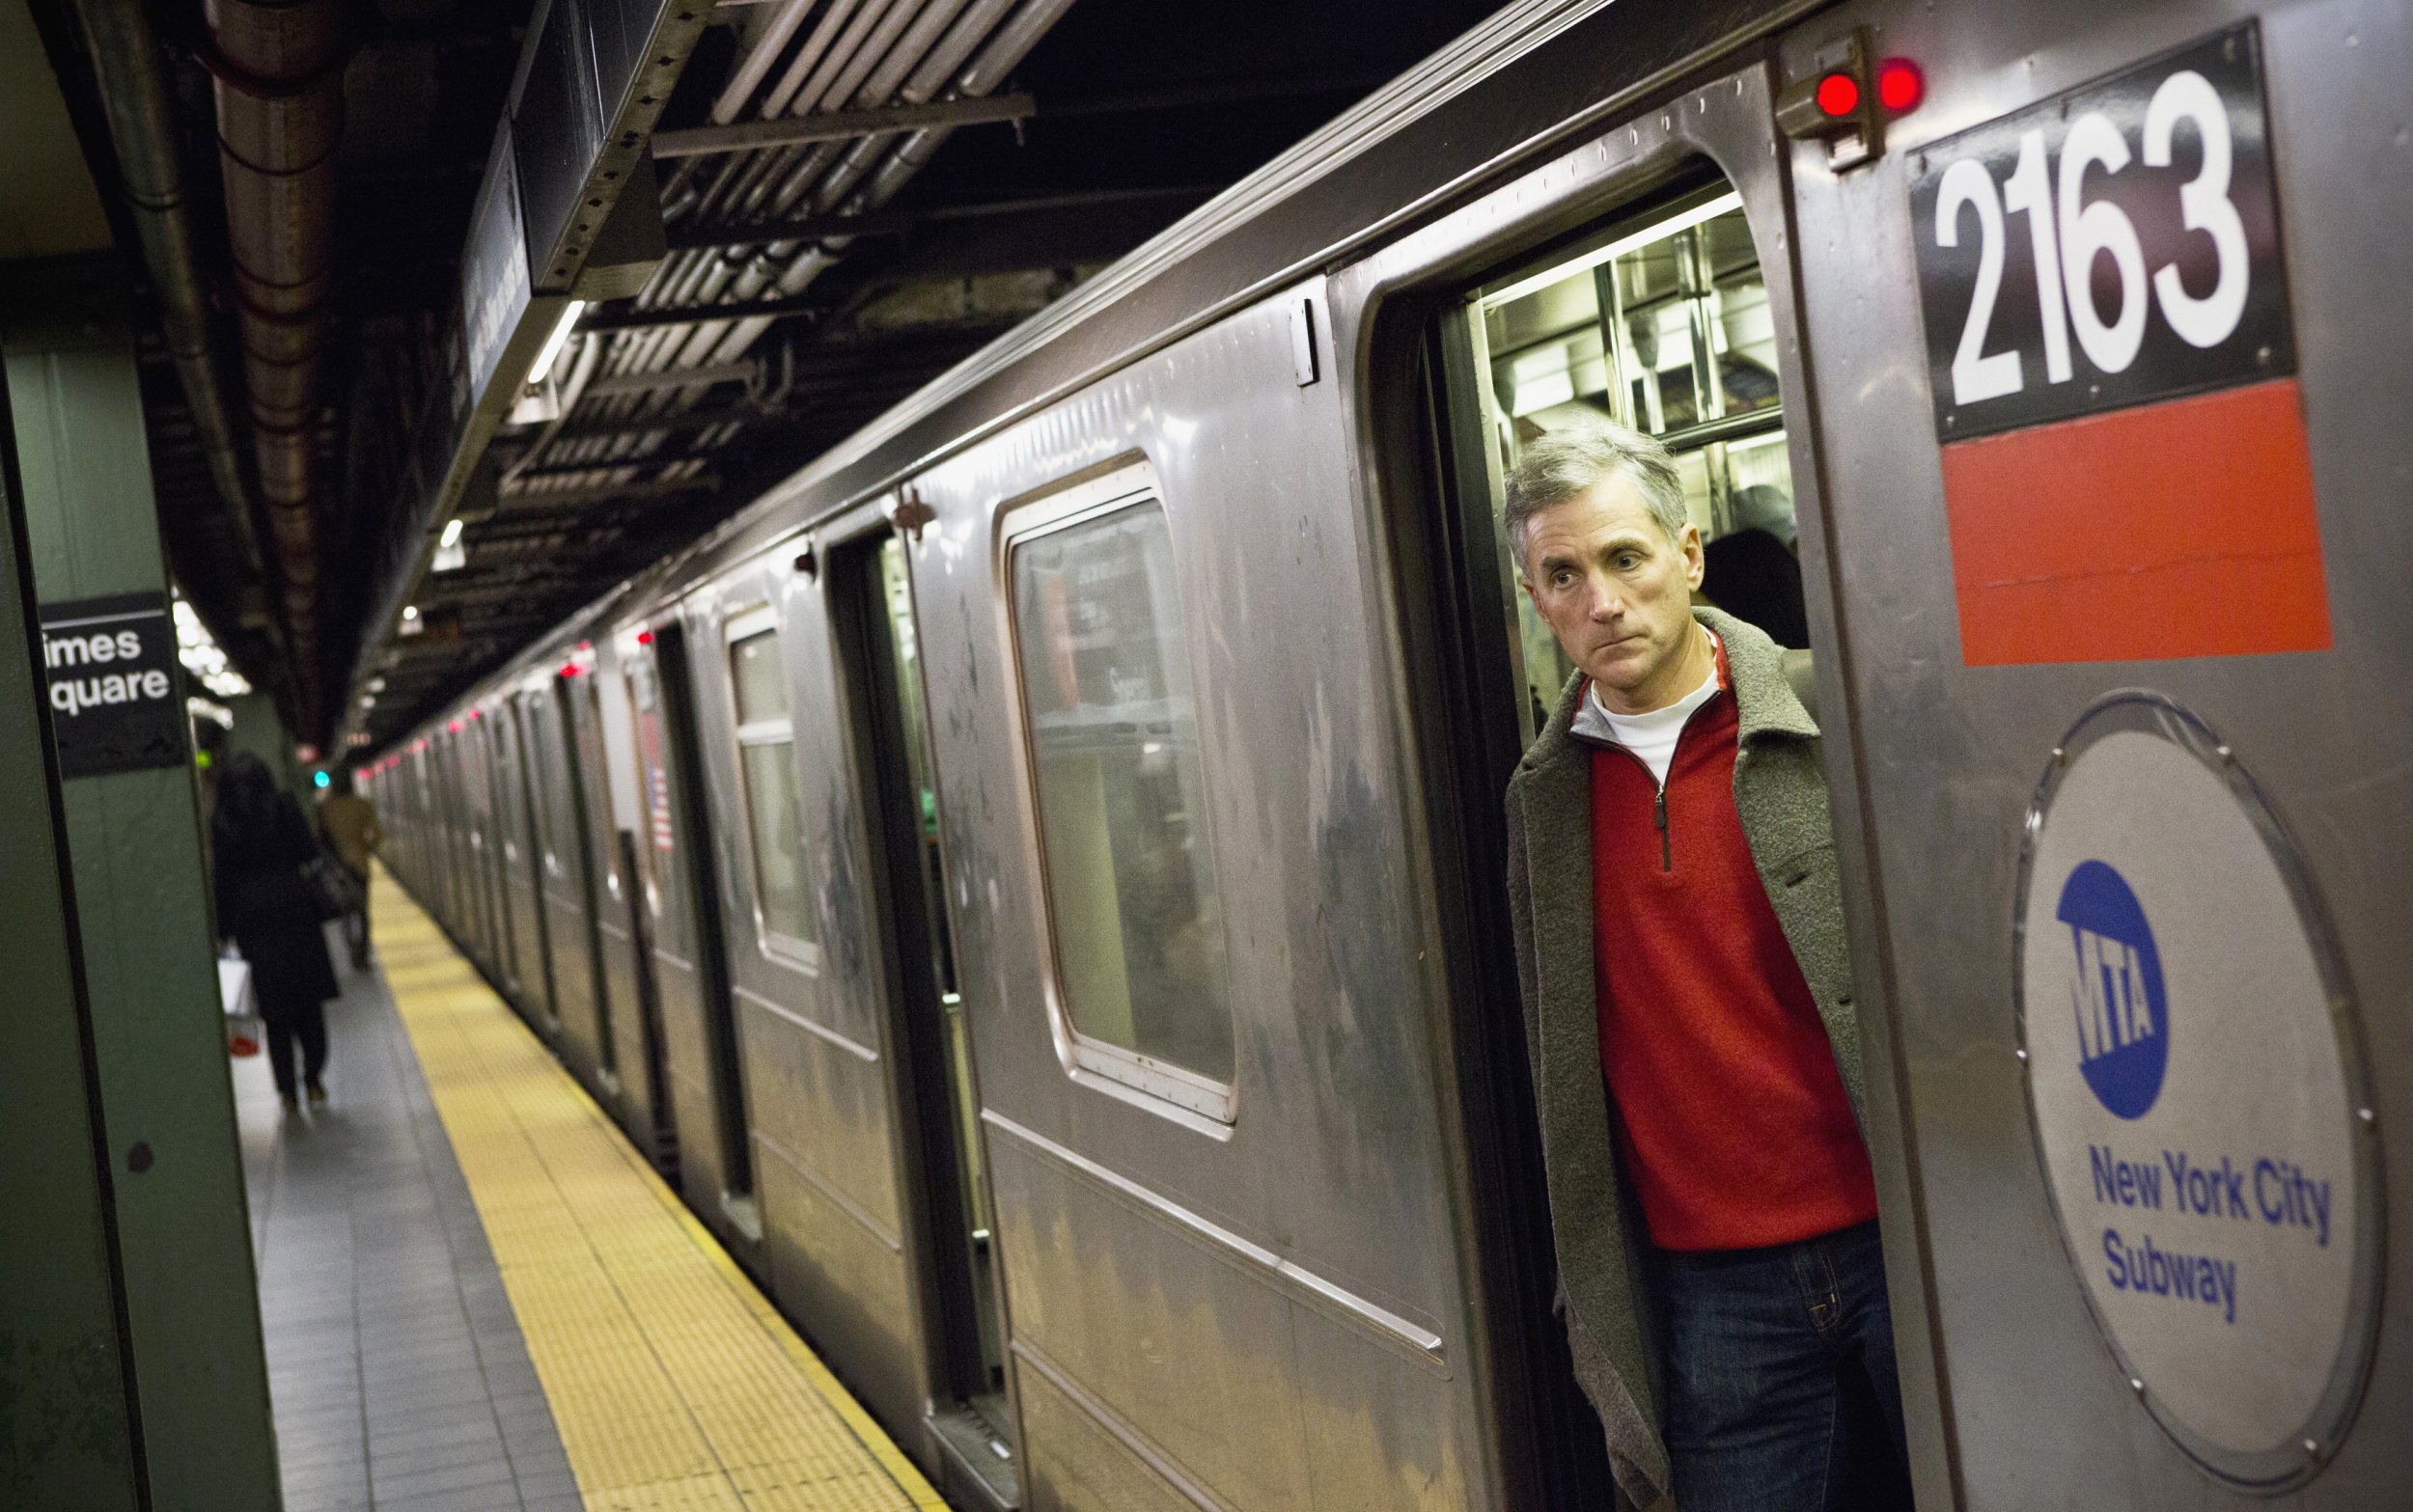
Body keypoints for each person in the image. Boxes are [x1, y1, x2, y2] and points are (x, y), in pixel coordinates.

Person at [1500, 424, 1909, 1511]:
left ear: (1687, 555)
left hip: (1902, 1235)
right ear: (1534, 599)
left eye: (1625, 558)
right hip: (1714, 1287)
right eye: (1563, 574)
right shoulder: (1543, 802)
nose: (1601, 600)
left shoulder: (1830, 715)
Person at [212, 752, 341, 1111]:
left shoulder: (222, 823)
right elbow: (308, 854)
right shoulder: (284, 807)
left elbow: (222, 883)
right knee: (309, 1005)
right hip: (296, 912)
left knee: (275, 1012)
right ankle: (313, 1079)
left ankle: (286, 1092)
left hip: (254, 923)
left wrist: (223, 931)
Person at [317, 768, 382, 969]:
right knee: (363, 912)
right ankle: (362, 953)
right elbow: (378, 833)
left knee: (345, 911)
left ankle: (352, 949)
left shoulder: (326, 809)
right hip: (360, 866)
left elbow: (319, 838)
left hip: (337, 869)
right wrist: (365, 848)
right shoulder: (362, 805)